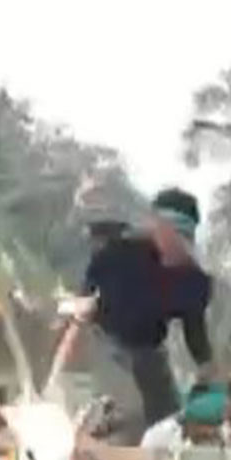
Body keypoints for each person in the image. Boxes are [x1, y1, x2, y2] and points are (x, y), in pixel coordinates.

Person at [81, 187, 215, 441]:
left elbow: (195, 332)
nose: (171, 241)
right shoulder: (117, 254)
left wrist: (208, 368)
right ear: (154, 226)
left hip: (151, 353)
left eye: (181, 235)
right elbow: (87, 298)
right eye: (164, 230)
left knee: (168, 425)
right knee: (129, 421)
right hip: (108, 347)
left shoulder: (193, 279)